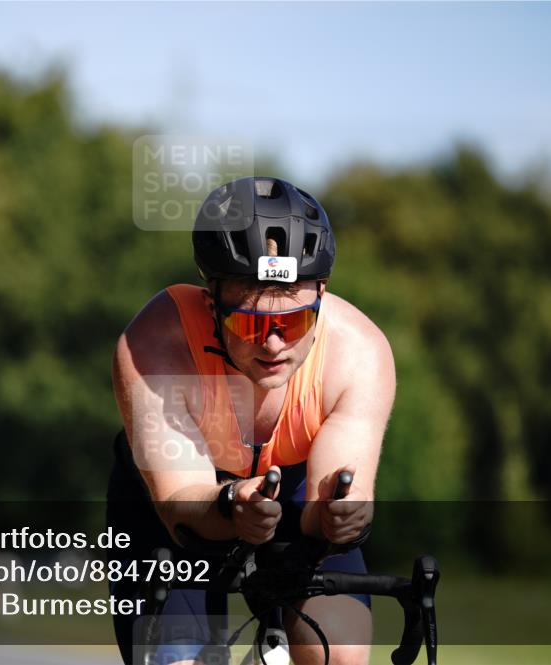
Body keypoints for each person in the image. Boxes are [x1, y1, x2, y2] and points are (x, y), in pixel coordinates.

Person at [107, 177, 396, 665]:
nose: (274, 344)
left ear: (321, 294)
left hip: (293, 489)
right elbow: (180, 505)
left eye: (294, 321)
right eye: (250, 323)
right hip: (178, 512)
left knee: (339, 653)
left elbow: (326, 509)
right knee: (176, 658)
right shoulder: (154, 344)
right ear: (211, 302)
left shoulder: (359, 352)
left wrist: (339, 515)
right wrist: (230, 502)